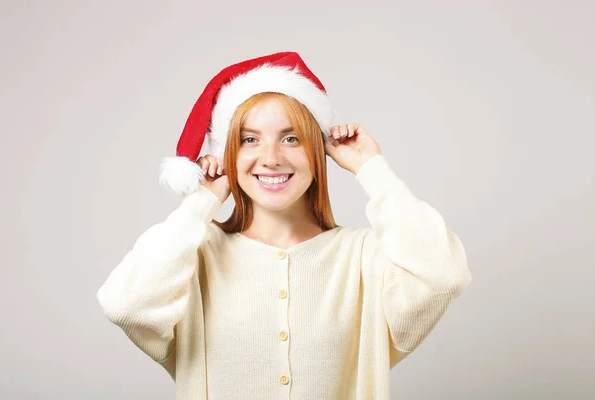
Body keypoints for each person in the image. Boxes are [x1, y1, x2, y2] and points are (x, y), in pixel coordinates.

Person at [96, 51, 471, 400]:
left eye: (290, 138)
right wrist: (201, 203)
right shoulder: (194, 258)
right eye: (248, 140)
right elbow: (126, 305)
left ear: (316, 149)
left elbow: (444, 275)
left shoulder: (361, 259)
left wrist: (372, 169)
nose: (271, 158)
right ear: (228, 154)